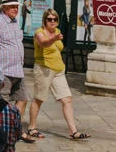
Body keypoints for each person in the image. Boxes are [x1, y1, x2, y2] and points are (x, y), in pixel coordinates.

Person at [28, 8, 89, 141]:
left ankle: (73, 131)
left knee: (67, 99)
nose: (53, 21)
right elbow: (44, 43)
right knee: (39, 98)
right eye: (50, 19)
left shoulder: (57, 31)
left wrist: (56, 39)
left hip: (58, 70)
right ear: (44, 21)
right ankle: (32, 127)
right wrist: (53, 39)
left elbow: (59, 48)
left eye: (55, 19)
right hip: (44, 69)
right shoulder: (39, 33)